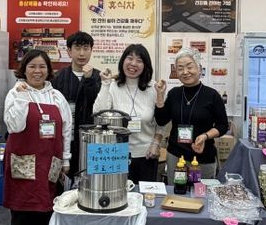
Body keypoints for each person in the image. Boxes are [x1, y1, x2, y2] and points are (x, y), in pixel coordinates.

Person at [3, 49, 72, 225]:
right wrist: (23, 98)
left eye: (42, 66)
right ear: (24, 69)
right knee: (23, 213)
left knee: (45, 211)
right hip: (23, 162)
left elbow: (67, 130)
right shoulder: (15, 93)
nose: (37, 71)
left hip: (49, 162)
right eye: (32, 66)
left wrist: (66, 158)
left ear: (48, 70)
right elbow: (14, 126)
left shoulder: (57, 97)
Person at [154, 47, 229, 184]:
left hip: (203, 157)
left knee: (201, 194)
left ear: (199, 68)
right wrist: (159, 96)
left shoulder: (212, 95)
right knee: (176, 192)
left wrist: (205, 136)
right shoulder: (174, 94)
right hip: (176, 156)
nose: (185, 72)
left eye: (189, 67)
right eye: (180, 68)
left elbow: (223, 125)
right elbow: (161, 120)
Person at [93, 44, 164, 183]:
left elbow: (161, 122)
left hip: (147, 154)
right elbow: (98, 114)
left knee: (145, 194)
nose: (133, 63)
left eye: (139, 60)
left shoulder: (153, 88)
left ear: (145, 65)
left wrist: (156, 143)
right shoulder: (112, 85)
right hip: (116, 153)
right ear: (123, 61)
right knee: (119, 193)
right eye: (130, 58)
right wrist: (105, 84)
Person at [51, 31, 101, 179]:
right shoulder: (58, 77)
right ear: (69, 51)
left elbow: (98, 105)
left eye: (86, 48)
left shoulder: (98, 77)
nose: (82, 53)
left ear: (91, 50)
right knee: (63, 181)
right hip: (65, 139)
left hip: (91, 140)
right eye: (77, 48)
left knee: (90, 180)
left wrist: (89, 80)